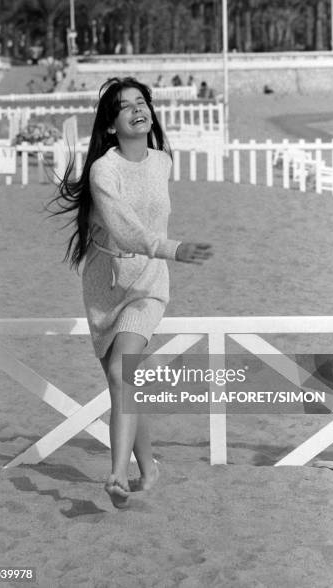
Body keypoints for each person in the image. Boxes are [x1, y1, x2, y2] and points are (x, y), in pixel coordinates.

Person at [50, 77, 213, 508]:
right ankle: (148, 469)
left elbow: (148, 229)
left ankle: (117, 475)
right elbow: (124, 228)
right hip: (104, 284)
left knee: (124, 374)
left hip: (147, 283)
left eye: (142, 102)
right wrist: (173, 247)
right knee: (125, 384)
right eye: (126, 107)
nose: (138, 110)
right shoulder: (105, 169)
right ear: (110, 125)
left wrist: (166, 251)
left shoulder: (163, 162)